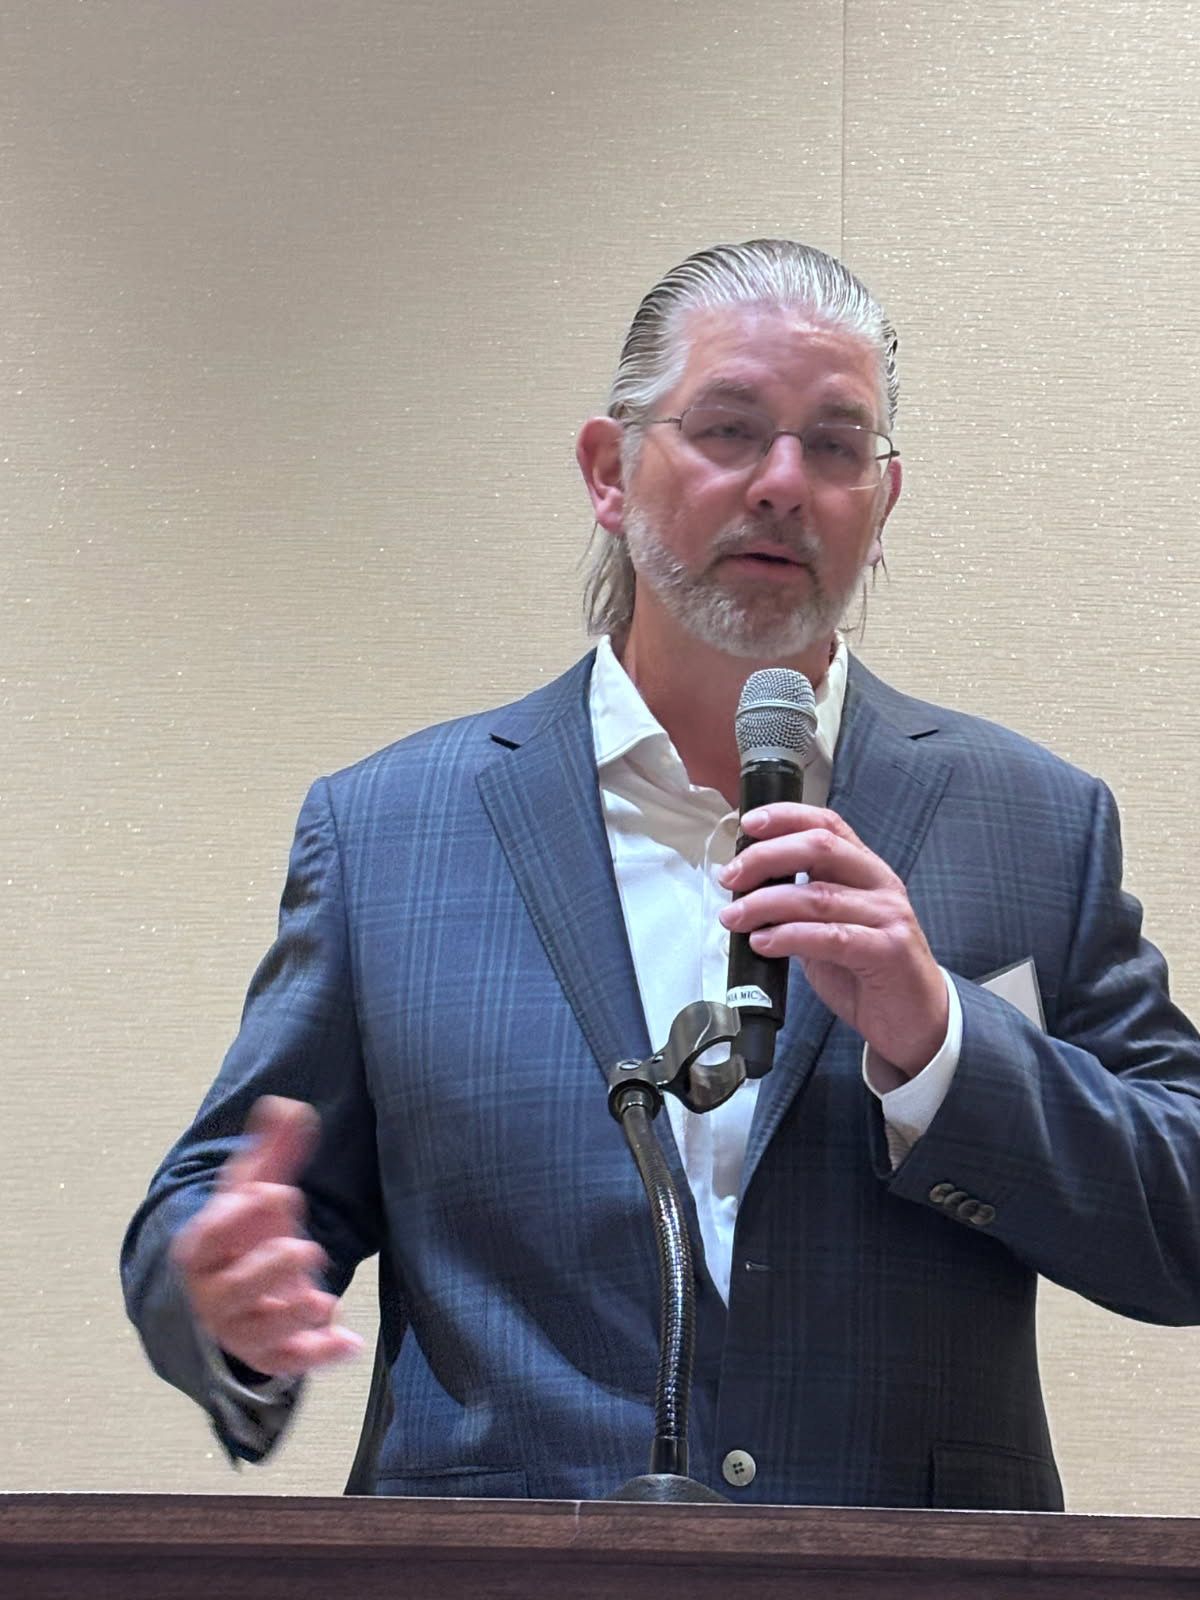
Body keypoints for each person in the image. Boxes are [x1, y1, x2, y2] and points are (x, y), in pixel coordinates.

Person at [122, 239, 1200, 1510]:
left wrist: (942, 1041)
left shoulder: (1030, 820)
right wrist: (220, 1287)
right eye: (731, 429)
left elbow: (1182, 1217)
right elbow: (225, 1202)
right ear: (606, 469)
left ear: (885, 499)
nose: (784, 484)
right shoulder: (390, 831)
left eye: (836, 446)